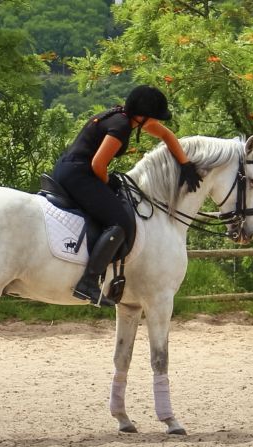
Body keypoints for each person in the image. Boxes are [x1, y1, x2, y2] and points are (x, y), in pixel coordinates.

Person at [52, 85, 202, 306]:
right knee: (120, 220)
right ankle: (88, 282)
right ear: (142, 116)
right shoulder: (121, 127)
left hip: (69, 168)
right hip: (80, 175)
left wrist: (185, 163)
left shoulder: (120, 115)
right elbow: (98, 164)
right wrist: (107, 181)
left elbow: (166, 135)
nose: (154, 123)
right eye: (152, 118)